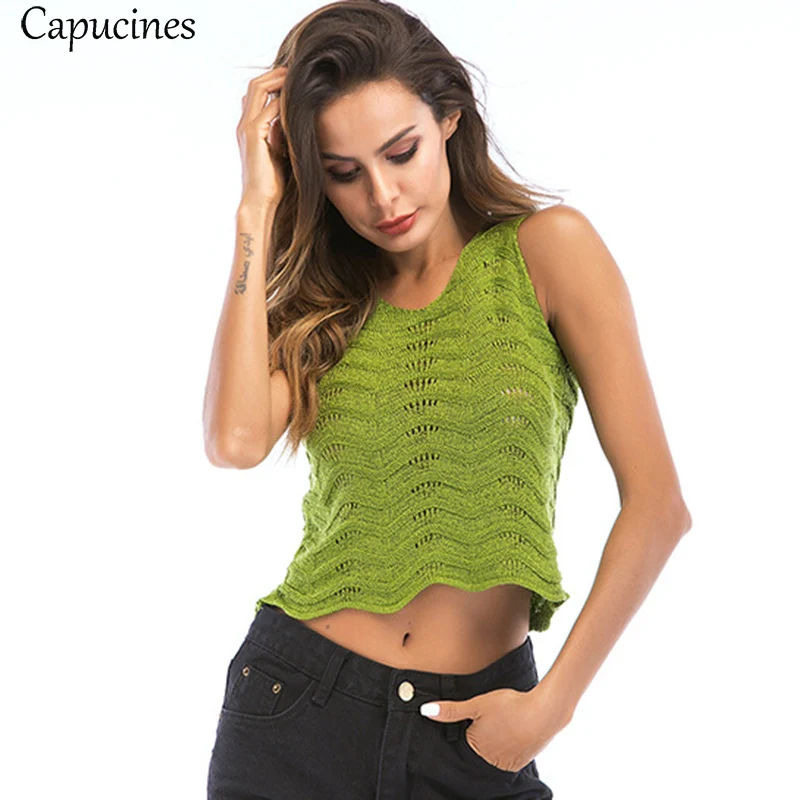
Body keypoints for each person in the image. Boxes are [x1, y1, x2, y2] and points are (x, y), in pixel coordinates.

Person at [203, 2, 692, 797]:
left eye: (402, 152)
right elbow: (234, 442)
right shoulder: (329, 304)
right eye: (343, 172)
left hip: (477, 727)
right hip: (297, 710)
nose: (383, 195)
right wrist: (255, 208)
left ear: (450, 118)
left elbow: (659, 506)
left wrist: (550, 709)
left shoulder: (546, 252)